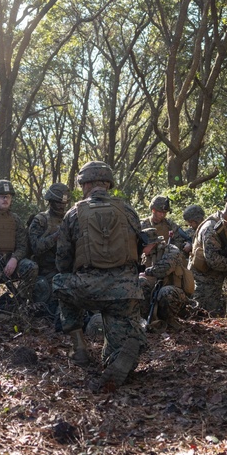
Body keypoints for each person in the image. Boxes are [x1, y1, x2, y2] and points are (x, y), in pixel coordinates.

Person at [54, 161, 146, 389]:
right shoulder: (129, 211)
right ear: (108, 184)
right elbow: (140, 252)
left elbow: (62, 261)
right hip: (125, 292)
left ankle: (80, 350)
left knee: (59, 282)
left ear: (84, 185)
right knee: (119, 331)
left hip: (87, 289)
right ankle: (123, 352)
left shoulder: (73, 214)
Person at [26, 183, 71, 311]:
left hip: (66, 270)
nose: (62, 205)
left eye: (64, 203)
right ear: (50, 201)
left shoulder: (70, 219)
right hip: (46, 270)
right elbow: (36, 247)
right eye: (58, 202)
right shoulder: (41, 220)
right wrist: (57, 236)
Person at [139, 230, 194, 332]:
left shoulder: (171, 250)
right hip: (153, 293)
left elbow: (164, 268)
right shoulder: (145, 255)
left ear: (152, 243)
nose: (141, 249)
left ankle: (169, 320)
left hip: (175, 294)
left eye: (143, 246)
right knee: (139, 283)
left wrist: (147, 272)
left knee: (166, 292)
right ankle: (147, 319)